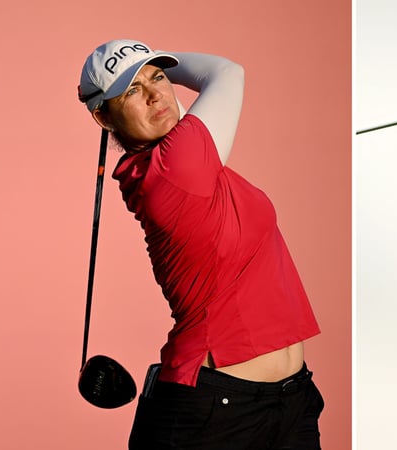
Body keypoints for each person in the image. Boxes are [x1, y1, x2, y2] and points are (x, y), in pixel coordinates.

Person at [78, 39, 324, 450]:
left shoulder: (182, 163)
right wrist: (159, 61)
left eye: (158, 77)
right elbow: (226, 72)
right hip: (213, 410)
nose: (157, 94)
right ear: (104, 117)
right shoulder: (175, 167)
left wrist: (140, 63)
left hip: (292, 400)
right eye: (133, 90)